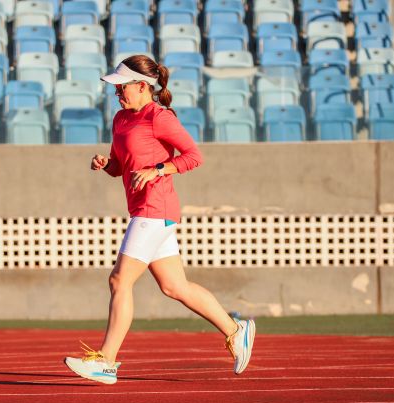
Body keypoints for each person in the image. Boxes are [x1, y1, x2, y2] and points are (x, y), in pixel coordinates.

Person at [64, 55, 255, 385]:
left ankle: (106, 361)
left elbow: (194, 156)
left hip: (155, 209)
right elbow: (120, 168)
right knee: (174, 286)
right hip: (146, 212)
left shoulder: (160, 118)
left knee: (119, 281)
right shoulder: (121, 119)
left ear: (142, 86)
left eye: (122, 86)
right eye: (115, 87)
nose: (117, 92)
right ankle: (236, 330)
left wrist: (159, 169)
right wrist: (104, 163)